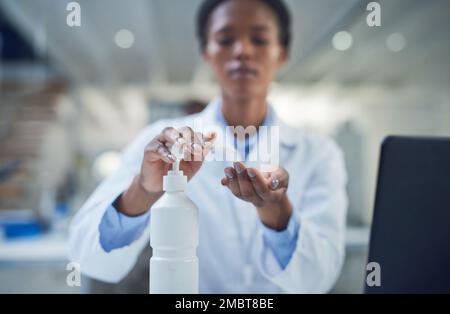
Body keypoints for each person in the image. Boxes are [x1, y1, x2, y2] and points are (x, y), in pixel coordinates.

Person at [69, 0, 348, 293]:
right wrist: (145, 190)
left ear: (282, 53)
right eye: (226, 39)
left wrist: (278, 213)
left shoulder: (319, 154)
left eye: (260, 39)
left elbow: (318, 279)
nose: (242, 51)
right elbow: (89, 256)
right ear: (206, 53)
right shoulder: (161, 142)